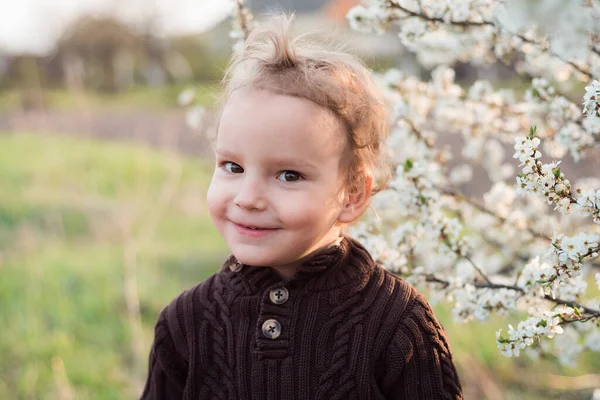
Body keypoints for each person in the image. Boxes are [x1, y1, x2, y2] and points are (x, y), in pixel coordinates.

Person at [141, 13, 463, 400]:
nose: (248, 197)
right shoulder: (185, 324)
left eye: (288, 175)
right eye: (233, 167)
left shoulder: (397, 324)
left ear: (353, 194)